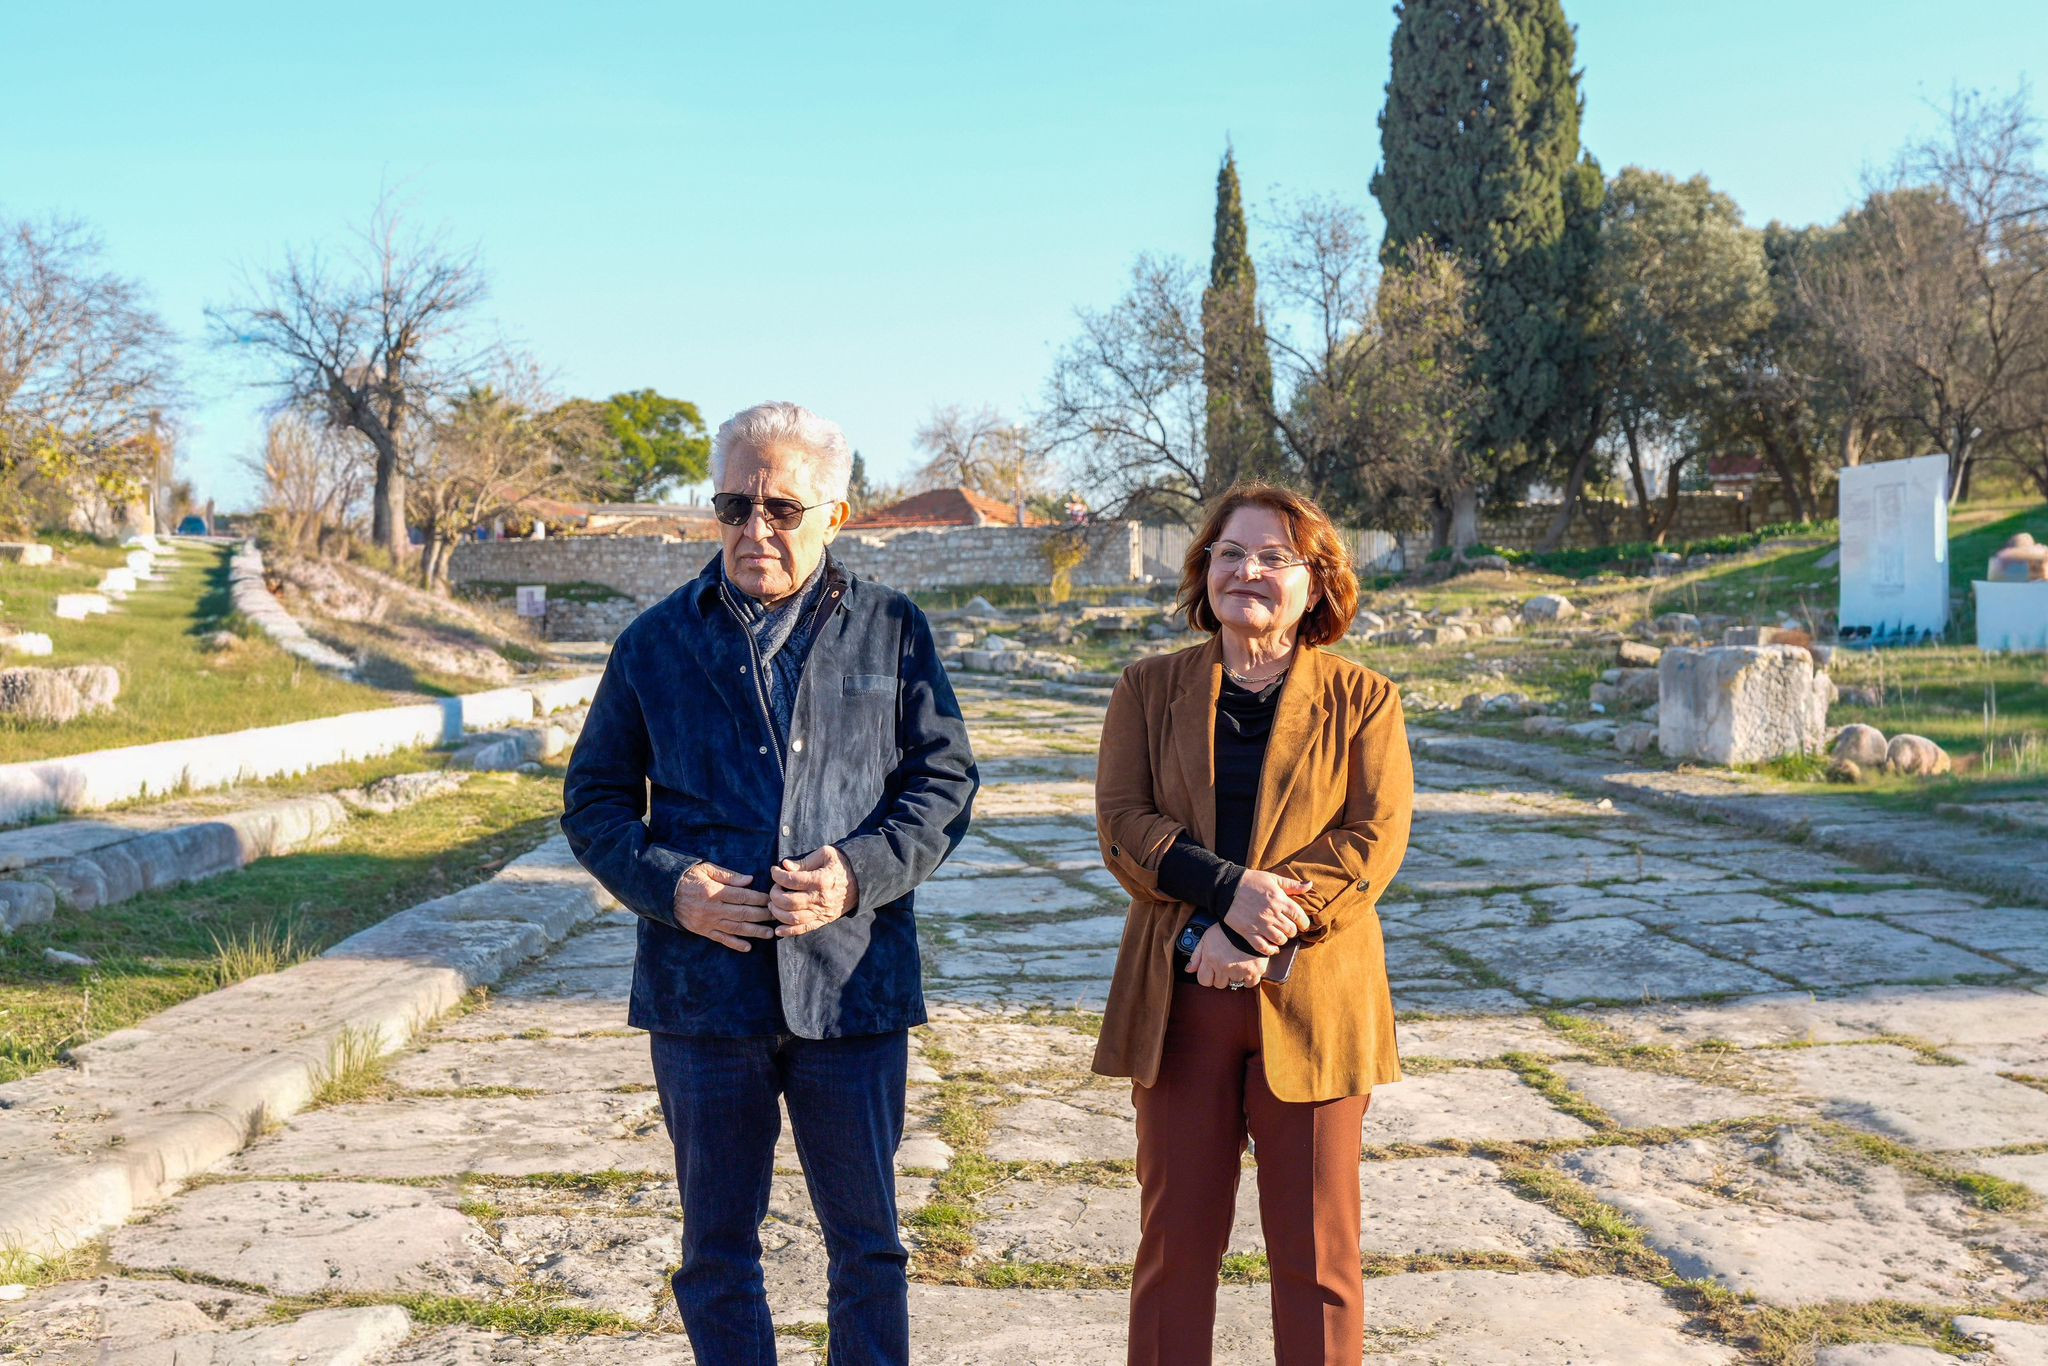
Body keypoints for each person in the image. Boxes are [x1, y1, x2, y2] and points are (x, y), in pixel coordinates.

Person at [562, 400, 978, 1365]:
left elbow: (945, 781)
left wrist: (857, 874)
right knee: (715, 1252)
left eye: (782, 508)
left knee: (868, 1247)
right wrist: (671, 887)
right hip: (702, 997)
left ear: (835, 514)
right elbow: (594, 802)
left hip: (851, 985)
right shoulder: (654, 642)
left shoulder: (893, 629)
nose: (755, 529)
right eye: (734, 506)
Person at [1092, 482, 1413, 1366]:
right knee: (1174, 1250)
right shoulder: (1147, 688)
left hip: (1316, 1002)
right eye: (1230, 553)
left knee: (1318, 1257)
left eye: (1275, 557)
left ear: (1316, 582)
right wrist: (1224, 895)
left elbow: (1373, 839)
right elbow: (1123, 823)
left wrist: (1255, 929)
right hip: (1179, 994)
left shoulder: (1365, 699)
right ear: (1204, 572)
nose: (1248, 571)